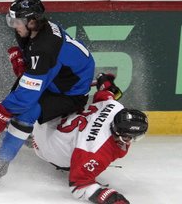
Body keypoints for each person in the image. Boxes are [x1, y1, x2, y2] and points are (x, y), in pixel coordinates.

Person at [0, 0, 96, 185]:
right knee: (16, 96)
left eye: (17, 21)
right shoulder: (32, 30)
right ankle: (17, 135)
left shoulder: (46, 47)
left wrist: (2, 111)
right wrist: (25, 61)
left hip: (69, 93)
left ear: (32, 21)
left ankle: (2, 161)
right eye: (12, 20)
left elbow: (27, 96)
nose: (14, 25)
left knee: (26, 110)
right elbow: (36, 65)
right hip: (55, 78)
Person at [31, 74, 147, 204]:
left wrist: (105, 82)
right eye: (130, 137)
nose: (131, 140)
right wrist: (109, 197)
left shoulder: (114, 107)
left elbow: (105, 93)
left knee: (74, 98)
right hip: (46, 145)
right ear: (120, 135)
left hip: (49, 118)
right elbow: (78, 186)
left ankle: (19, 124)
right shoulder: (95, 151)